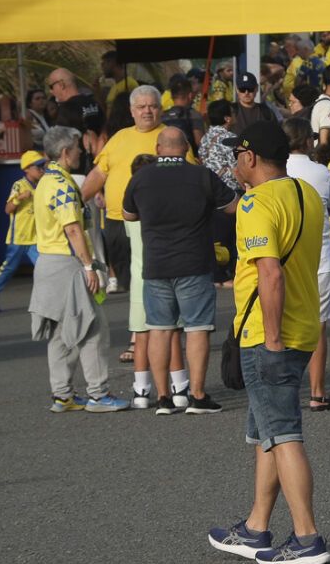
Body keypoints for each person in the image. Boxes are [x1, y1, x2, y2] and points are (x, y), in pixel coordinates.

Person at [206, 120, 330, 564]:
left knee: (282, 433)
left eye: (237, 155)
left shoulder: (256, 203)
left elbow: (270, 273)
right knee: (265, 434)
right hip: (303, 326)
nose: (235, 164)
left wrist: (272, 339)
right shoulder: (306, 194)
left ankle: (307, 537)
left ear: (251, 158)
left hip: (268, 332)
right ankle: (256, 526)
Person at [124, 127, 238, 416]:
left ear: (159, 147)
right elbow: (232, 206)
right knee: (197, 328)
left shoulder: (141, 178)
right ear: (187, 148)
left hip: (156, 265)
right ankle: (196, 396)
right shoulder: (201, 176)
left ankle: (163, 398)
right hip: (194, 264)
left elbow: (128, 214)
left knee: (160, 330)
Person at [81, 86, 173, 405]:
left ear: (160, 110)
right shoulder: (119, 138)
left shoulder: (170, 136)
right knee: (134, 279)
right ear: (132, 111)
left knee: (152, 278)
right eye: (142, 107)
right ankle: (140, 338)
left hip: (157, 222)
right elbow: (98, 172)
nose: (148, 111)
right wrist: (77, 203)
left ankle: (146, 339)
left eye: (153, 107)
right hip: (120, 220)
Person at [26, 128, 125, 415]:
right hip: (66, 263)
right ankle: (98, 393)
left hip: (47, 262)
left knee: (60, 332)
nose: (81, 152)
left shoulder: (46, 180)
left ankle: (63, 394)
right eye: (77, 148)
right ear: (66, 152)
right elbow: (72, 228)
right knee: (92, 327)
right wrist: (87, 265)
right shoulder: (62, 184)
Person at [282, 116, 330, 412]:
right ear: (307, 141)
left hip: (283, 256)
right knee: (318, 326)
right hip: (319, 256)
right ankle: (317, 393)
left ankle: (283, 388)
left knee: (281, 322)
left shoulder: (276, 170)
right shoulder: (321, 171)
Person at [0, 150, 45, 314]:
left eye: (42, 166)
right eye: (38, 167)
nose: (41, 170)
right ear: (27, 169)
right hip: (19, 236)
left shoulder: (42, 185)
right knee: (9, 267)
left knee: (44, 267)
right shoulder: (19, 185)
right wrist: (19, 198)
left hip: (35, 237)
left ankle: (46, 300)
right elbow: (7, 209)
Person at [45, 68, 106, 139]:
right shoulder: (93, 102)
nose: (50, 91)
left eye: (51, 87)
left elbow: (63, 142)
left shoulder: (66, 110)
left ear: (61, 85)